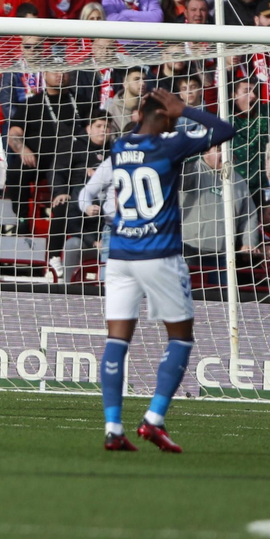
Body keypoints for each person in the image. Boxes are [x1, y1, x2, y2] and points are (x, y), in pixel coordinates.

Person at [99, 88, 236, 453]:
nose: (177, 120)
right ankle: (153, 420)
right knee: (180, 337)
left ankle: (113, 427)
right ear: (164, 116)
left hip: (120, 255)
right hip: (159, 255)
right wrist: (187, 107)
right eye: (173, 115)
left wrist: (162, 112)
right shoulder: (169, 145)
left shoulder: (118, 146)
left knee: (116, 340)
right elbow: (225, 131)